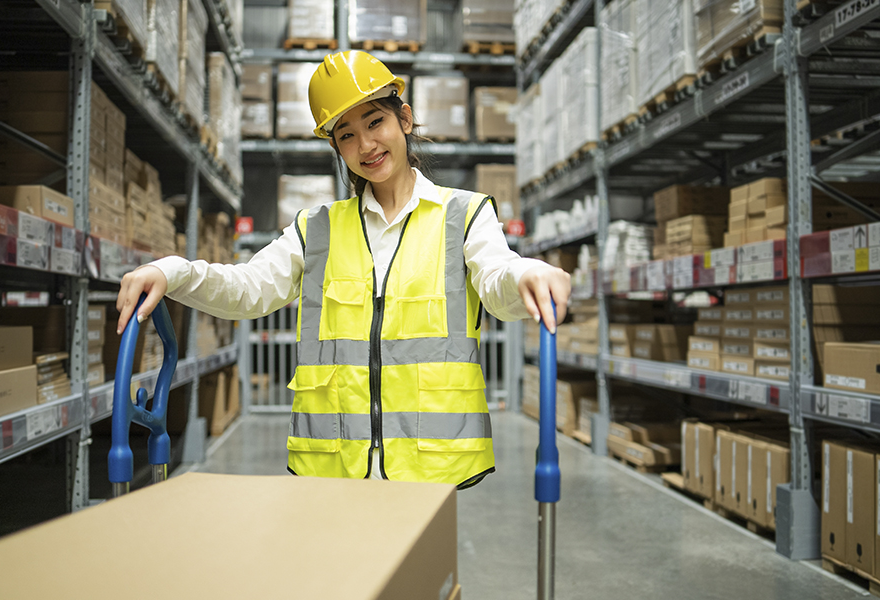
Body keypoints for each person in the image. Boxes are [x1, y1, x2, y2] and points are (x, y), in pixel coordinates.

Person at [116, 50, 571, 490]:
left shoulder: (464, 215)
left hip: (431, 464)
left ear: (405, 120)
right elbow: (248, 289)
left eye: (376, 122)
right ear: (334, 145)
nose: (366, 145)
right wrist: (173, 271)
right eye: (346, 134)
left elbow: (497, 279)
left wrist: (527, 274)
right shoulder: (318, 229)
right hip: (335, 466)